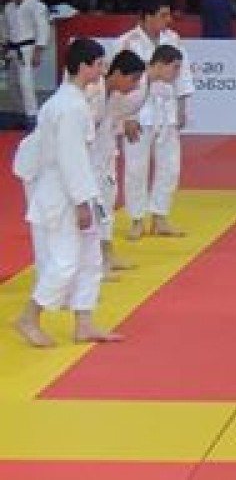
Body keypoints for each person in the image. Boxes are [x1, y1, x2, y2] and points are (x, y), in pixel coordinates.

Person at [11, 38, 121, 347]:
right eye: (99, 65)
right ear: (84, 66)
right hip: (63, 194)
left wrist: (88, 199)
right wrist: (81, 203)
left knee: (90, 258)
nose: (102, 70)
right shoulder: (70, 107)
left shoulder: (72, 102)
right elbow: (70, 159)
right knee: (65, 261)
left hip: (77, 189)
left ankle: (84, 323)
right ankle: (29, 317)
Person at [115, 0, 194, 240]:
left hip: (166, 110)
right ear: (147, 16)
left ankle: (160, 216)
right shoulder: (127, 42)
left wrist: (182, 108)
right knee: (136, 168)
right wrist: (126, 116)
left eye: (168, 15)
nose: (167, 20)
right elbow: (119, 81)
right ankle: (137, 219)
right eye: (162, 15)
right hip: (138, 112)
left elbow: (183, 73)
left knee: (170, 166)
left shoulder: (173, 38)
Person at [86, 49, 147, 278]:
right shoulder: (92, 92)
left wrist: (129, 121)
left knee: (106, 210)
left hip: (106, 159)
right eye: (133, 79)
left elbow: (121, 118)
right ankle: (93, 265)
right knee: (93, 214)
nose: (135, 86)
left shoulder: (116, 96)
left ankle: (107, 256)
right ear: (118, 73)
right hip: (88, 163)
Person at [3, 0, 52, 129]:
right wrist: (4, 47)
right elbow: (6, 29)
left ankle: (32, 117)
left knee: (26, 83)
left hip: (28, 49)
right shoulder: (8, 8)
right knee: (12, 83)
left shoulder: (37, 6)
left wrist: (38, 51)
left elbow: (42, 29)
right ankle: (19, 114)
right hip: (12, 49)